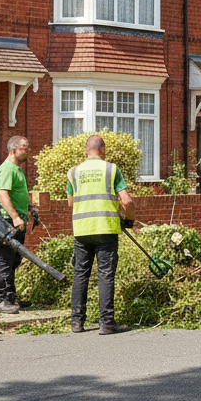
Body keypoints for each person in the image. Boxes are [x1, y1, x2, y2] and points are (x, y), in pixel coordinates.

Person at [67, 134, 136, 335]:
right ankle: (106, 323)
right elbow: (127, 201)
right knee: (105, 275)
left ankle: (77, 322)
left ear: (86, 150)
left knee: (80, 274)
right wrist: (129, 220)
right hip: (106, 228)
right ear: (103, 149)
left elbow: (71, 202)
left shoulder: (74, 172)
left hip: (82, 229)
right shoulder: (111, 169)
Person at [0, 135, 32, 315]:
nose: (28, 151)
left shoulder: (17, 169)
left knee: (13, 261)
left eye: (28, 147)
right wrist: (15, 217)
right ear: (13, 149)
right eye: (24, 147)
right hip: (7, 222)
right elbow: (2, 195)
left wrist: (28, 210)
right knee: (3, 261)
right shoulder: (8, 169)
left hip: (17, 222)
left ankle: (10, 298)